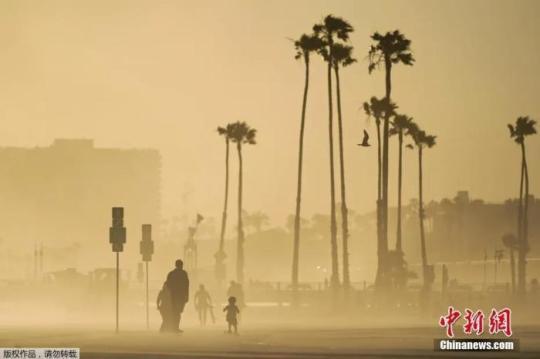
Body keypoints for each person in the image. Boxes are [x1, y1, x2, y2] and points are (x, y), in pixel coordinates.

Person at [166, 259, 190, 333]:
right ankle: (175, 327)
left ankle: (174, 327)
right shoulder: (184, 273)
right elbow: (187, 285)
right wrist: (186, 296)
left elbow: (168, 284)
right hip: (181, 296)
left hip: (173, 295)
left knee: (175, 312)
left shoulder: (171, 273)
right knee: (178, 312)